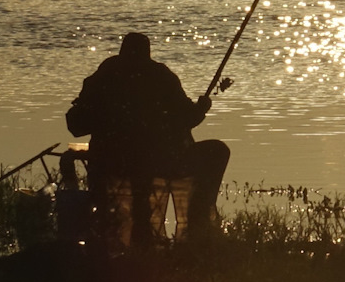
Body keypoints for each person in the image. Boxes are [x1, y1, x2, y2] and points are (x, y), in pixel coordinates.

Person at [65, 31, 229, 247]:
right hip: (157, 161)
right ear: (148, 53)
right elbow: (187, 118)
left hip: (111, 161)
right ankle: (196, 225)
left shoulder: (104, 77)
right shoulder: (160, 76)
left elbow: (75, 125)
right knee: (217, 151)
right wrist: (202, 108)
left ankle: (136, 238)